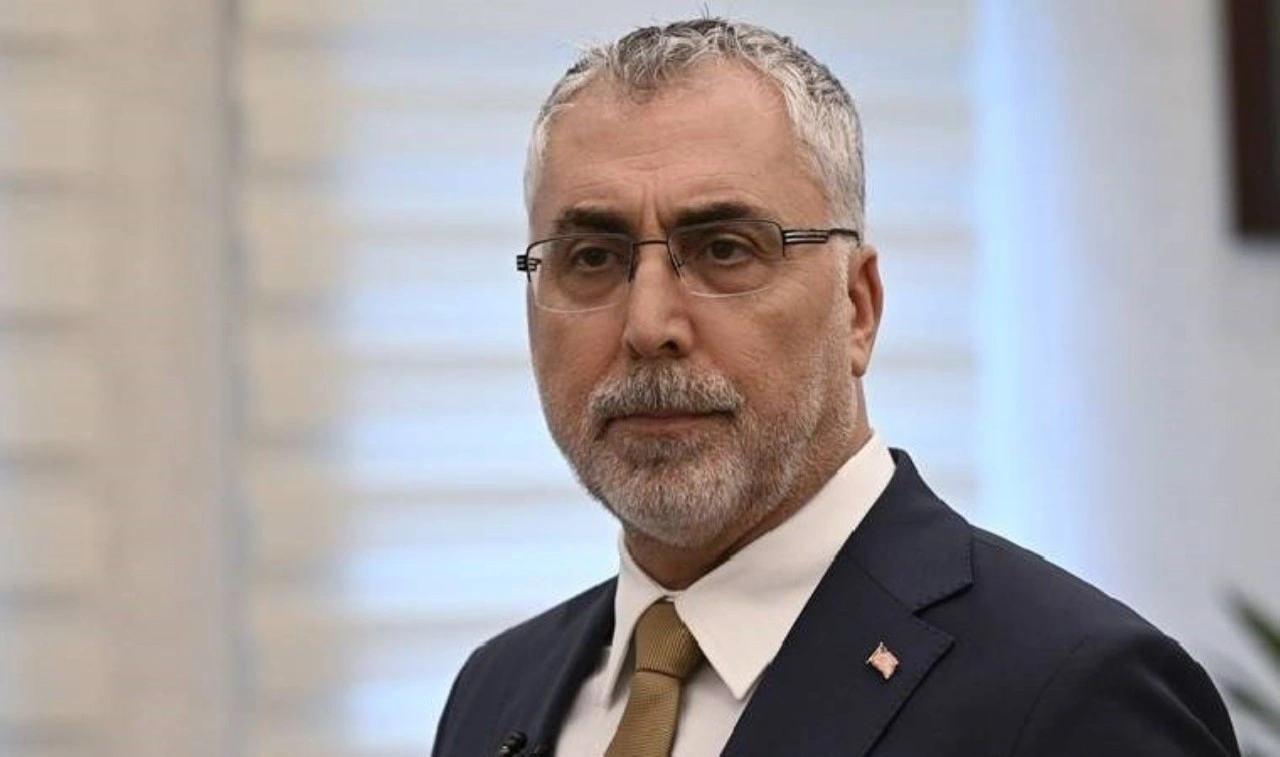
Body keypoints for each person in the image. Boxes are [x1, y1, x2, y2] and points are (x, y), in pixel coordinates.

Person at [432, 18, 1240, 757]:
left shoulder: (1074, 694)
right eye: (593, 258)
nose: (649, 325)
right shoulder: (496, 691)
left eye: (724, 249)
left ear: (858, 308)